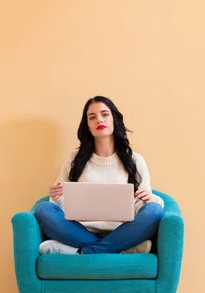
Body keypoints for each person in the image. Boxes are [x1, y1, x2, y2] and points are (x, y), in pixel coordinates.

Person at [34, 96, 165, 255]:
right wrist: (59, 196)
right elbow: (56, 207)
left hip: (123, 232)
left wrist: (148, 198)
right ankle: (117, 249)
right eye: (92, 117)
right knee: (43, 209)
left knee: (155, 210)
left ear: (114, 119)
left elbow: (146, 207)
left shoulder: (135, 160)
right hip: (79, 231)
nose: (99, 120)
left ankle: (84, 252)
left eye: (104, 114)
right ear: (87, 125)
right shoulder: (73, 159)